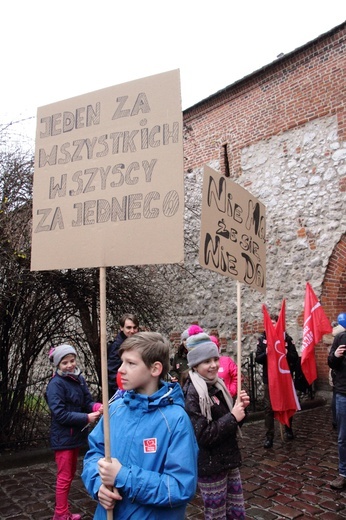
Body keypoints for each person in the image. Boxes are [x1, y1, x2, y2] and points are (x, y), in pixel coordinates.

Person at [82, 331, 198, 519]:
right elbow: (95, 453)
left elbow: (180, 486)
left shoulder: (175, 420)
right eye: (122, 362)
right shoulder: (115, 409)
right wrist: (98, 485)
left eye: (131, 363)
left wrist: (123, 476)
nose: (121, 369)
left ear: (155, 369)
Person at [183, 330, 250, 520]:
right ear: (195, 365)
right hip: (210, 465)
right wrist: (232, 417)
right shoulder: (193, 393)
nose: (213, 365)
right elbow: (203, 435)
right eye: (206, 361)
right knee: (217, 514)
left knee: (235, 510)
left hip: (227, 459)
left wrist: (241, 409)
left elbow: (234, 424)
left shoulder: (217, 385)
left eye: (215, 359)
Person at [46, 343, 103, 520]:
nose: (70, 365)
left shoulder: (78, 379)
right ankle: (60, 514)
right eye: (65, 363)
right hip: (63, 438)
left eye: (72, 360)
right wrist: (87, 417)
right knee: (64, 477)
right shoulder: (55, 385)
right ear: (57, 365)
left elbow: (87, 401)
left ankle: (64, 511)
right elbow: (60, 414)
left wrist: (97, 406)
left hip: (75, 436)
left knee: (69, 475)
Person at [255, 314, 299, 448]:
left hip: (284, 378)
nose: (273, 326)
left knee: (286, 403)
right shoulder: (263, 340)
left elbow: (295, 358)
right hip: (270, 379)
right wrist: (266, 352)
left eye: (276, 323)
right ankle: (269, 437)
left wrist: (286, 353)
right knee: (268, 407)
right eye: (272, 323)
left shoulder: (287, 339)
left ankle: (288, 428)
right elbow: (258, 358)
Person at [328, 313, 346, 490]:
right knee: (343, 437)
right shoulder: (341, 337)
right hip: (343, 393)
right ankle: (343, 473)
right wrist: (336, 355)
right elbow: (330, 362)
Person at [107, 313, 139, 397]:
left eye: (134, 327)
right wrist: (121, 393)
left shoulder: (136, 343)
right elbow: (112, 373)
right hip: (121, 392)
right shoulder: (117, 346)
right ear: (121, 328)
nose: (132, 331)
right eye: (128, 327)